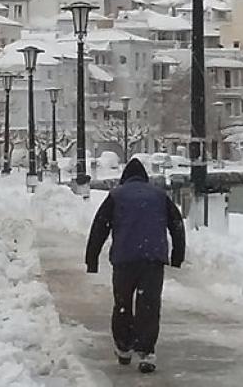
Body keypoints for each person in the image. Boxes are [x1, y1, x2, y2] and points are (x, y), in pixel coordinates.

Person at [85, 158, 185, 374]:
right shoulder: (159, 196)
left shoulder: (117, 196)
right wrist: (177, 255)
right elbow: (177, 224)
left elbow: (99, 227)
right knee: (148, 305)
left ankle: (123, 347)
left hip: (124, 258)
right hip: (153, 258)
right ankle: (147, 352)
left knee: (122, 303)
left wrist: (91, 259)